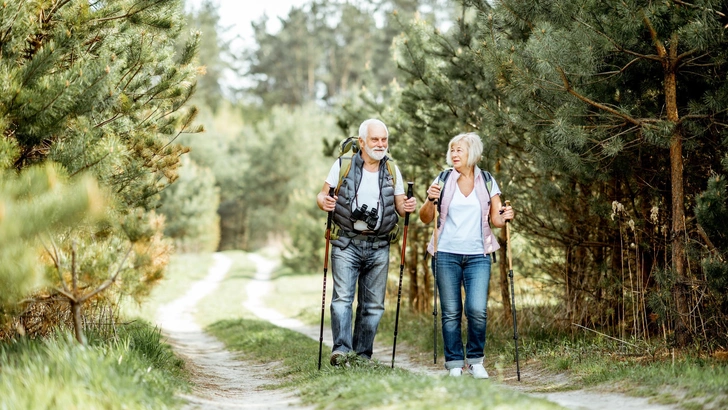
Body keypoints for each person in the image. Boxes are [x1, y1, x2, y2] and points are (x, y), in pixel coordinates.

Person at [316, 118, 417, 366]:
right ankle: (341, 351)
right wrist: (324, 202)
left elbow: (401, 207)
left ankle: (362, 356)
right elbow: (322, 194)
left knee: (373, 306)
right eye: (375, 139)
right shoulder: (343, 164)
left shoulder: (392, 169)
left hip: (380, 245)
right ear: (362, 141)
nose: (381, 144)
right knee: (342, 300)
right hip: (345, 244)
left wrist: (409, 206)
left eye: (384, 139)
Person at [419, 132, 514, 378]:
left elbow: (496, 220)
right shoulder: (442, 179)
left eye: (459, 150)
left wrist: (505, 216)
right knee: (450, 311)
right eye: (452, 150)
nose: (454, 154)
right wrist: (430, 200)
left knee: (477, 309)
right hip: (446, 253)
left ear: (472, 152)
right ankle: (454, 364)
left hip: (477, 256)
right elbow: (425, 217)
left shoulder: (488, 180)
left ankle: (475, 360)